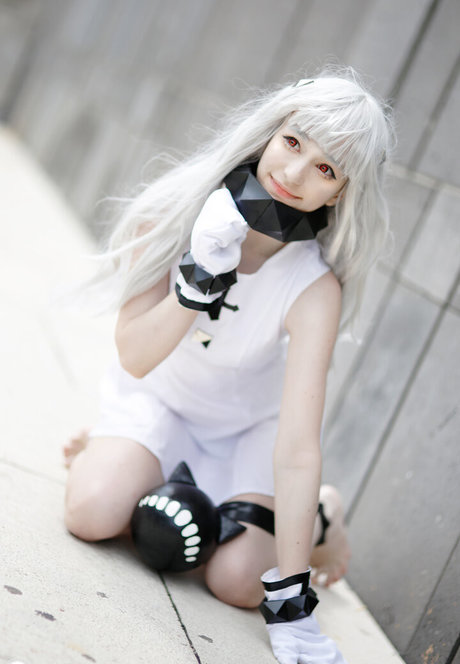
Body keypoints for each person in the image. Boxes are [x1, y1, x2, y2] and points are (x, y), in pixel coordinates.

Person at [63, 66, 394, 663]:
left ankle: (322, 516)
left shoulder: (314, 288)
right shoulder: (173, 212)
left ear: (340, 193)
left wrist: (291, 603)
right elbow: (134, 357)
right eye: (292, 142)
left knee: (238, 582)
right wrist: (197, 282)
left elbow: (297, 447)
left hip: (246, 432)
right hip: (160, 399)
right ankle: (123, 455)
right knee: (91, 513)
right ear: (270, 132)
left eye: (326, 169)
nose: (294, 174)